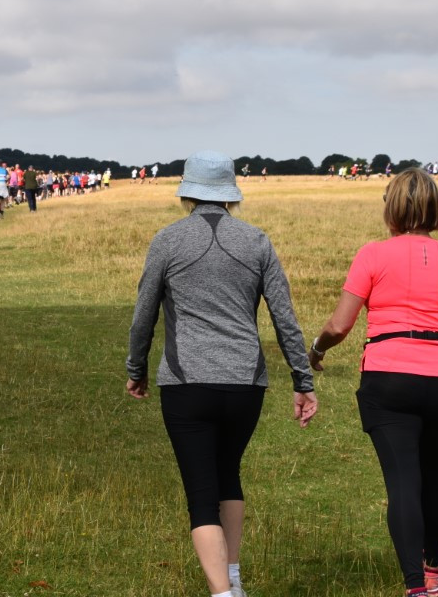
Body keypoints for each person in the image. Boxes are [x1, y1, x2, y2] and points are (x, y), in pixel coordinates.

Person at [127, 150, 317, 597]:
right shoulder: (256, 241)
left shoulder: (168, 241)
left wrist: (135, 369)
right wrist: (302, 380)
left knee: (200, 493)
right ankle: (232, 578)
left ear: (188, 193)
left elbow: (143, 316)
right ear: (230, 194)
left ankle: (222, 593)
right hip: (245, 384)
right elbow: (285, 318)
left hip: (185, 382)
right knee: (228, 475)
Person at [310, 167, 438, 597]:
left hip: (388, 378)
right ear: (436, 209)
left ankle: (416, 588)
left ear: (391, 209)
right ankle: (432, 568)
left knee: (403, 483)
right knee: (434, 476)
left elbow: (340, 325)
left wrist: (317, 350)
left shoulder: (372, 255)